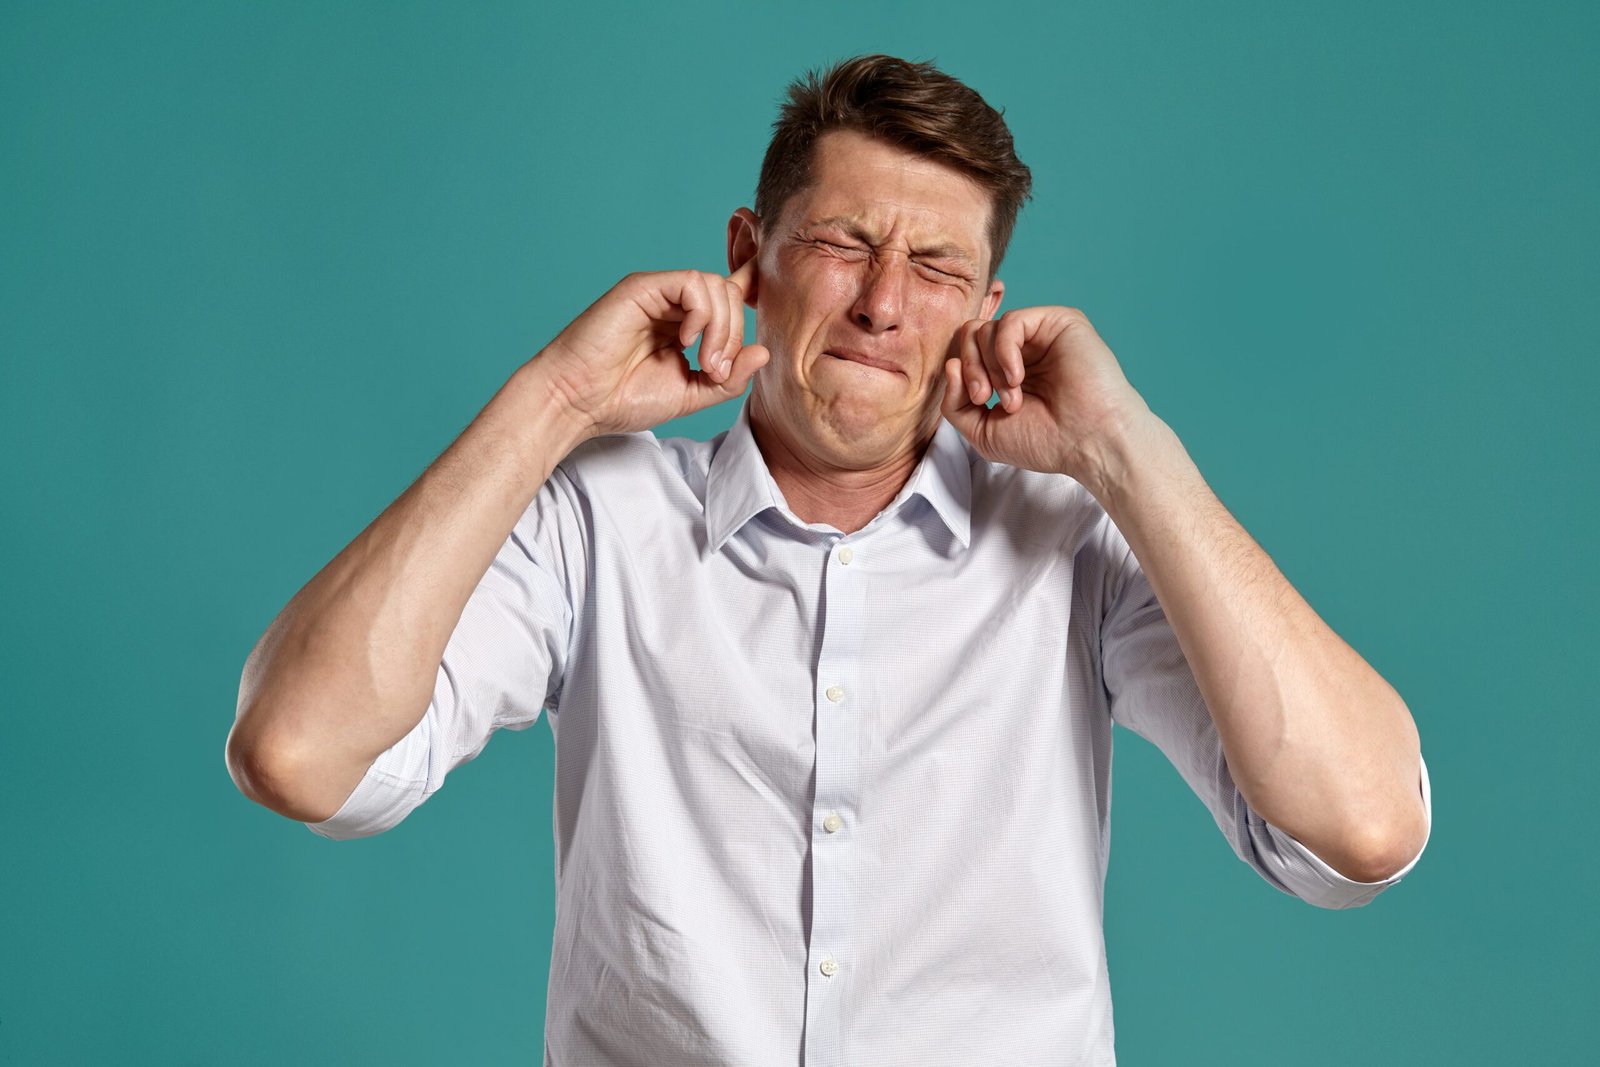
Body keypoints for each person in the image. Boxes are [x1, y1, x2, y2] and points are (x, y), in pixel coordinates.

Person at [226, 54, 1432, 1066]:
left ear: (985, 306)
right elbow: (298, 753)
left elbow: (1360, 827)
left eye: (938, 269)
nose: (884, 304)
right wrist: (554, 400)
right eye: (846, 244)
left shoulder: (1072, 538)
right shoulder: (598, 521)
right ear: (751, 252)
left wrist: (1130, 452)